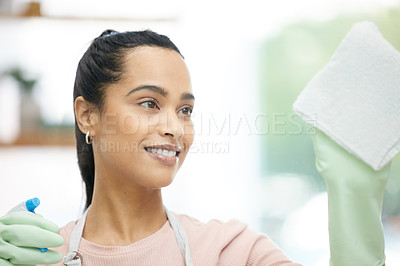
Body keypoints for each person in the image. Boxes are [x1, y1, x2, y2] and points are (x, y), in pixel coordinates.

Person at [0, 30, 301, 266]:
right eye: (149, 103)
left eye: (185, 110)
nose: (175, 127)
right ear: (87, 116)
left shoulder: (233, 251)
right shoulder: (39, 256)